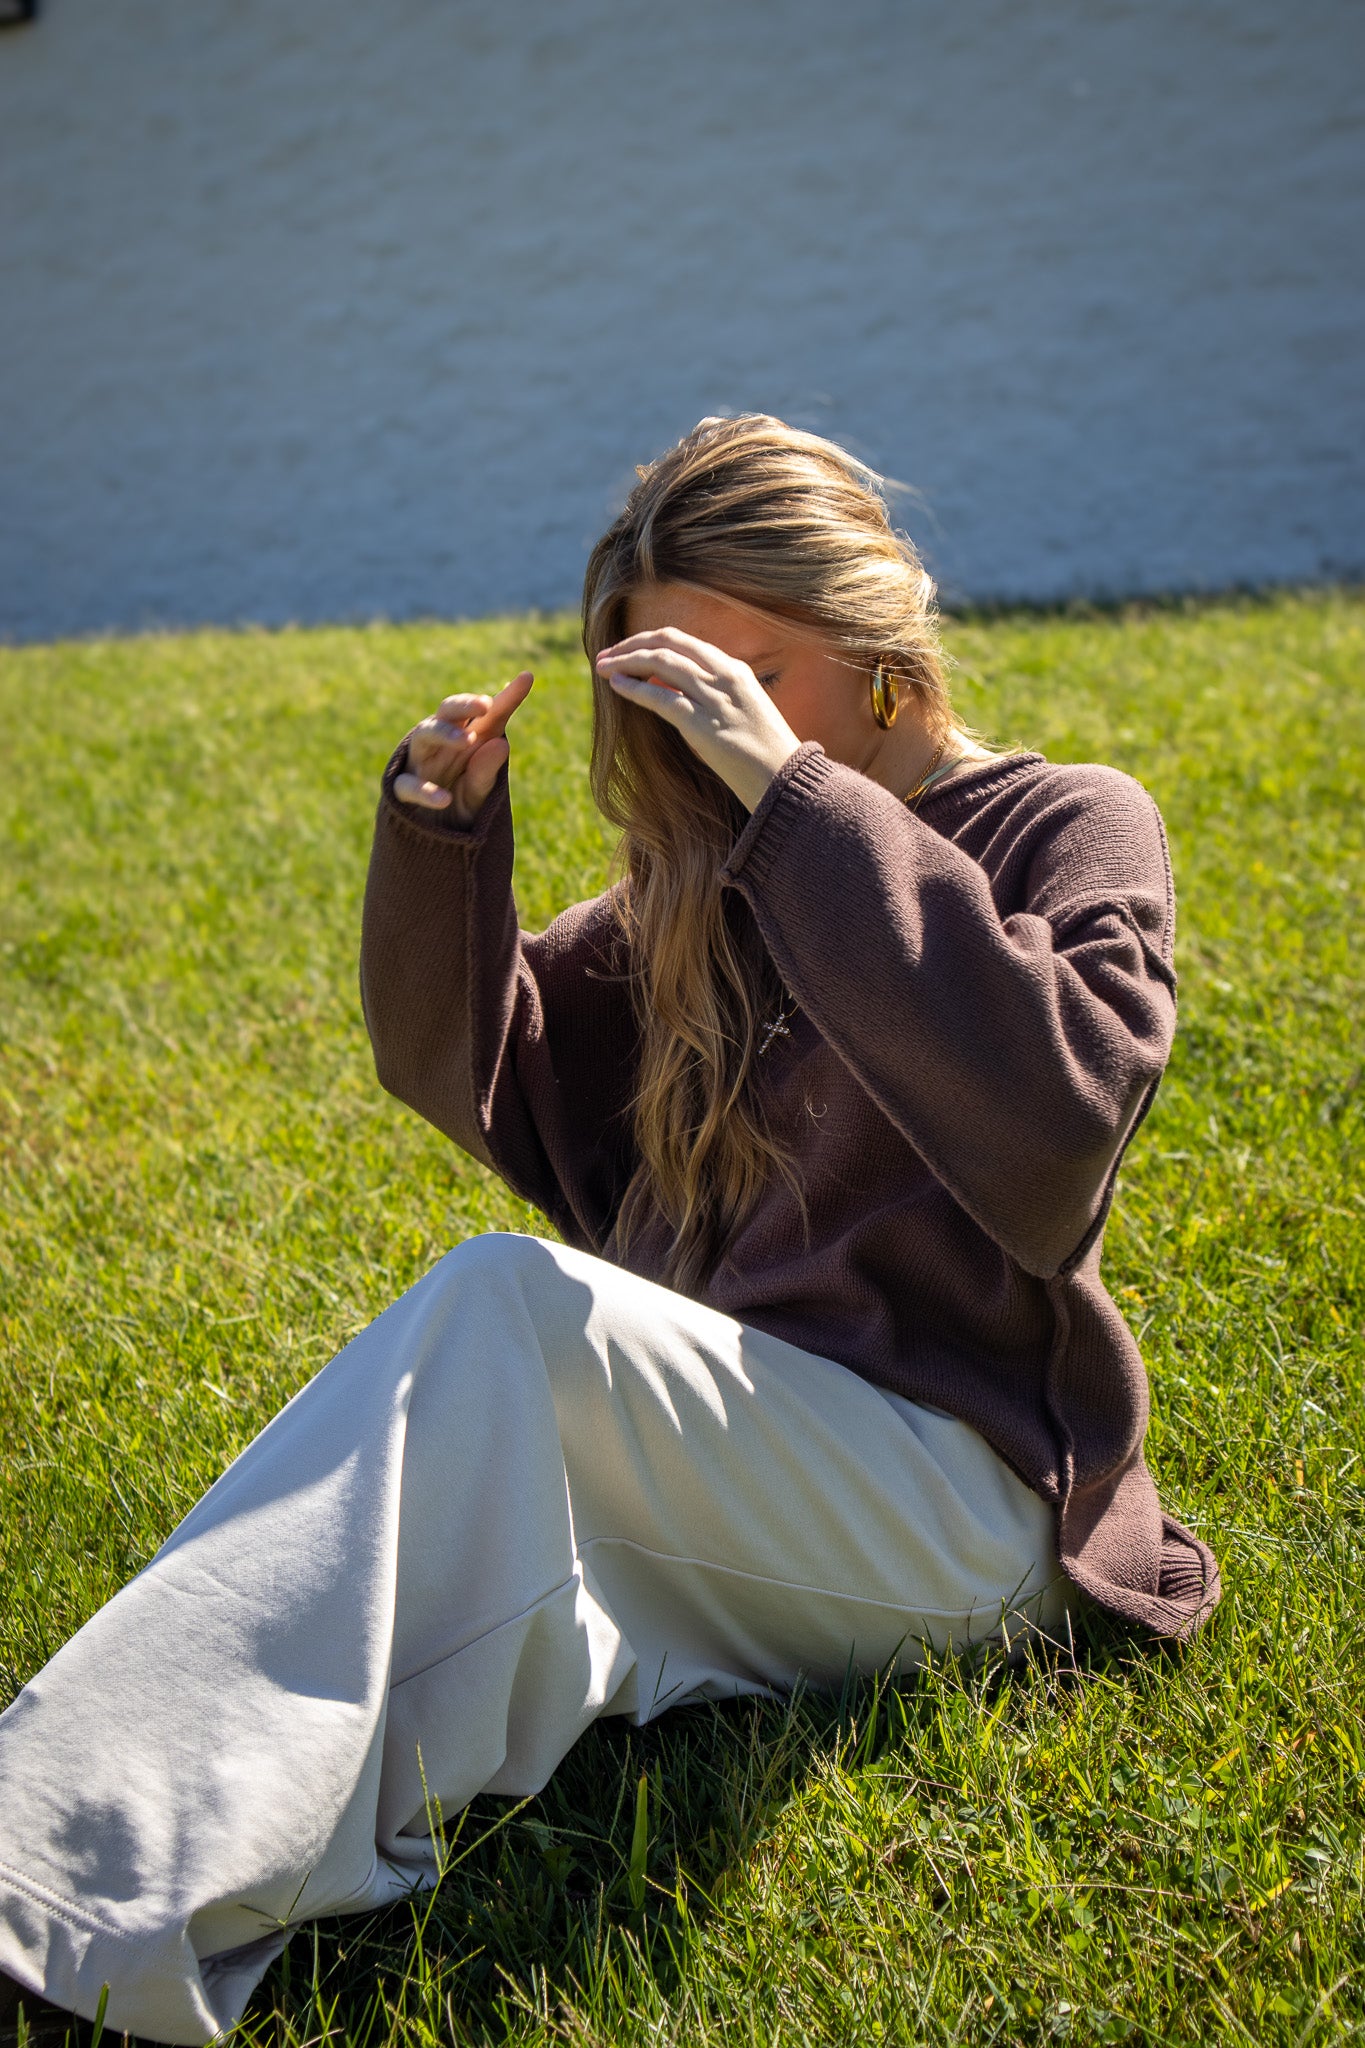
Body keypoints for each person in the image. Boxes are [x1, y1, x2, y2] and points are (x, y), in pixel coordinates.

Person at [0, 415, 1218, 2045]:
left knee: (503, 1318)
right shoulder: (697, 891)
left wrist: (793, 804)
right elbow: (478, 1066)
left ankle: (53, 1887)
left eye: (752, 672)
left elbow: (1054, 1125)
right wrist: (440, 837)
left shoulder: (1064, 821)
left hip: (968, 1504)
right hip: (755, 1471)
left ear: (874, 653)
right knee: (457, 1482)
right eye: (671, 681)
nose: (714, 722)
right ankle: (80, 1875)